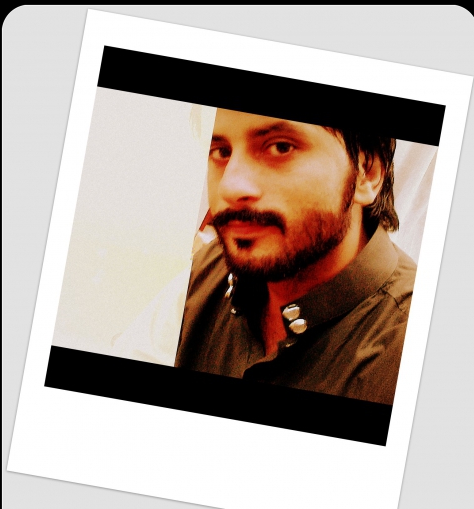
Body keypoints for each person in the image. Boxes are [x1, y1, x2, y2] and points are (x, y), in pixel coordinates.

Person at [173, 108, 417, 406]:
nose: (230, 186)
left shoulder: (412, 351)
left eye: (280, 147)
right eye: (221, 152)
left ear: (366, 173)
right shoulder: (208, 270)